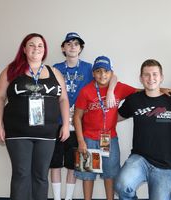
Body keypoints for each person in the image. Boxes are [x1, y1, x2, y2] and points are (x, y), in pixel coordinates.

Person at [0, 33, 70, 200]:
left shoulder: (55, 72)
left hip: (47, 133)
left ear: (45, 50)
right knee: (21, 174)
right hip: (18, 132)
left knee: (41, 176)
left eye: (40, 45)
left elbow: (63, 99)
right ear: (24, 49)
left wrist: (65, 125)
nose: (36, 48)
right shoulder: (11, 70)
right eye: (32, 45)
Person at [49, 32, 117, 200]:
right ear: (63, 48)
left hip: (80, 124)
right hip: (59, 121)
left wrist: (110, 92)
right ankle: (57, 198)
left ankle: (69, 197)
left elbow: (112, 75)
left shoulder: (88, 68)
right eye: (69, 43)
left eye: (76, 44)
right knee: (55, 163)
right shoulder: (55, 68)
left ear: (81, 48)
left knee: (74, 164)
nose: (73, 46)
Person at [114, 59, 171, 200]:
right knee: (121, 185)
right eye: (146, 75)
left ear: (161, 77)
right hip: (139, 159)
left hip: (164, 164)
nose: (151, 78)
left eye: (155, 74)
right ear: (141, 78)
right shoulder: (133, 100)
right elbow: (113, 118)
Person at [73, 56, 137, 200]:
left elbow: (140, 92)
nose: (102, 75)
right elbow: (77, 117)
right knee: (88, 176)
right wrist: (80, 141)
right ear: (93, 74)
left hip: (110, 139)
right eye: (98, 71)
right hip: (88, 139)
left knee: (110, 174)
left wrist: (161, 89)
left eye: (106, 71)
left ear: (111, 73)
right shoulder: (86, 91)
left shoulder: (119, 88)